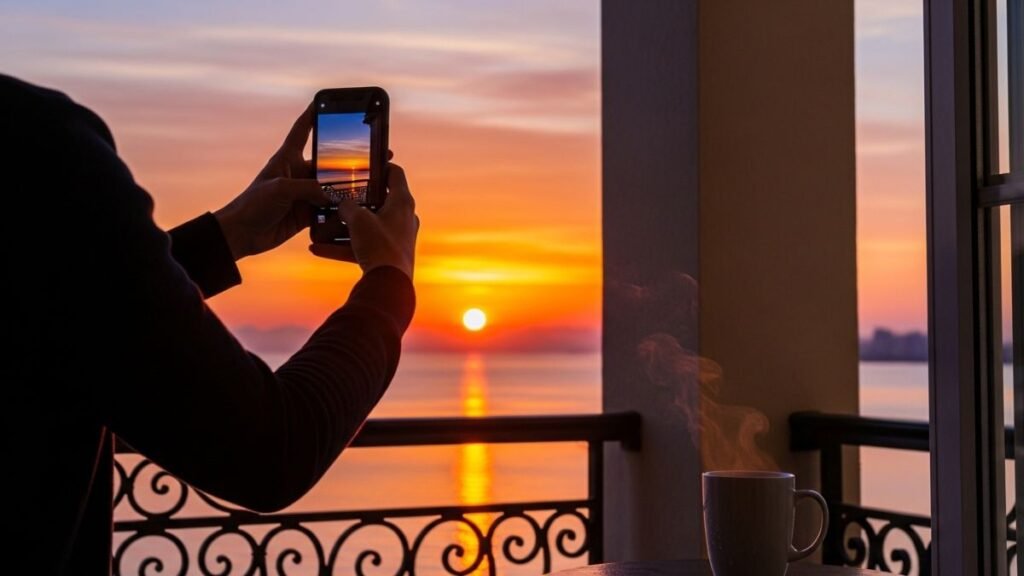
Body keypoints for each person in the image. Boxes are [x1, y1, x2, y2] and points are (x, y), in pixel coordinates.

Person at [1, 74, 419, 574]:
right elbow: (271, 451)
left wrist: (228, 234)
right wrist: (389, 285)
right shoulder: (37, 143)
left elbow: (64, 307)